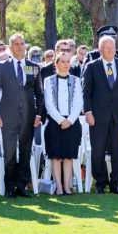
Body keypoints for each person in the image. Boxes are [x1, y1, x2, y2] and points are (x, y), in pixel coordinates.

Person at [0, 33, 44, 198]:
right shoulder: (2, 67)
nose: (20, 47)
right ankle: (9, 187)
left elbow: (39, 93)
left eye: (22, 44)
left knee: (26, 152)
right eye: (16, 44)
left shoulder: (34, 67)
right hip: (7, 117)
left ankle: (21, 187)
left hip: (28, 117)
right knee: (10, 153)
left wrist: (39, 114)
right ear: (10, 47)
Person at [82, 35, 118, 194]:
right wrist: (88, 112)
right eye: (107, 48)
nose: (111, 51)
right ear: (100, 50)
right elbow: (86, 93)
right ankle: (100, 183)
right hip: (97, 117)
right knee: (98, 151)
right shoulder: (91, 66)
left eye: (113, 47)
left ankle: (115, 184)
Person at [43, 53, 83, 194]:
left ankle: (67, 186)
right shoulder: (49, 80)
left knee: (68, 156)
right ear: (56, 64)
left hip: (72, 122)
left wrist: (70, 120)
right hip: (55, 122)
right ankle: (59, 186)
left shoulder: (76, 80)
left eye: (68, 62)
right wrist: (61, 120)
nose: (66, 64)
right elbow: (48, 103)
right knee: (56, 156)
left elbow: (79, 102)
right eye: (62, 62)